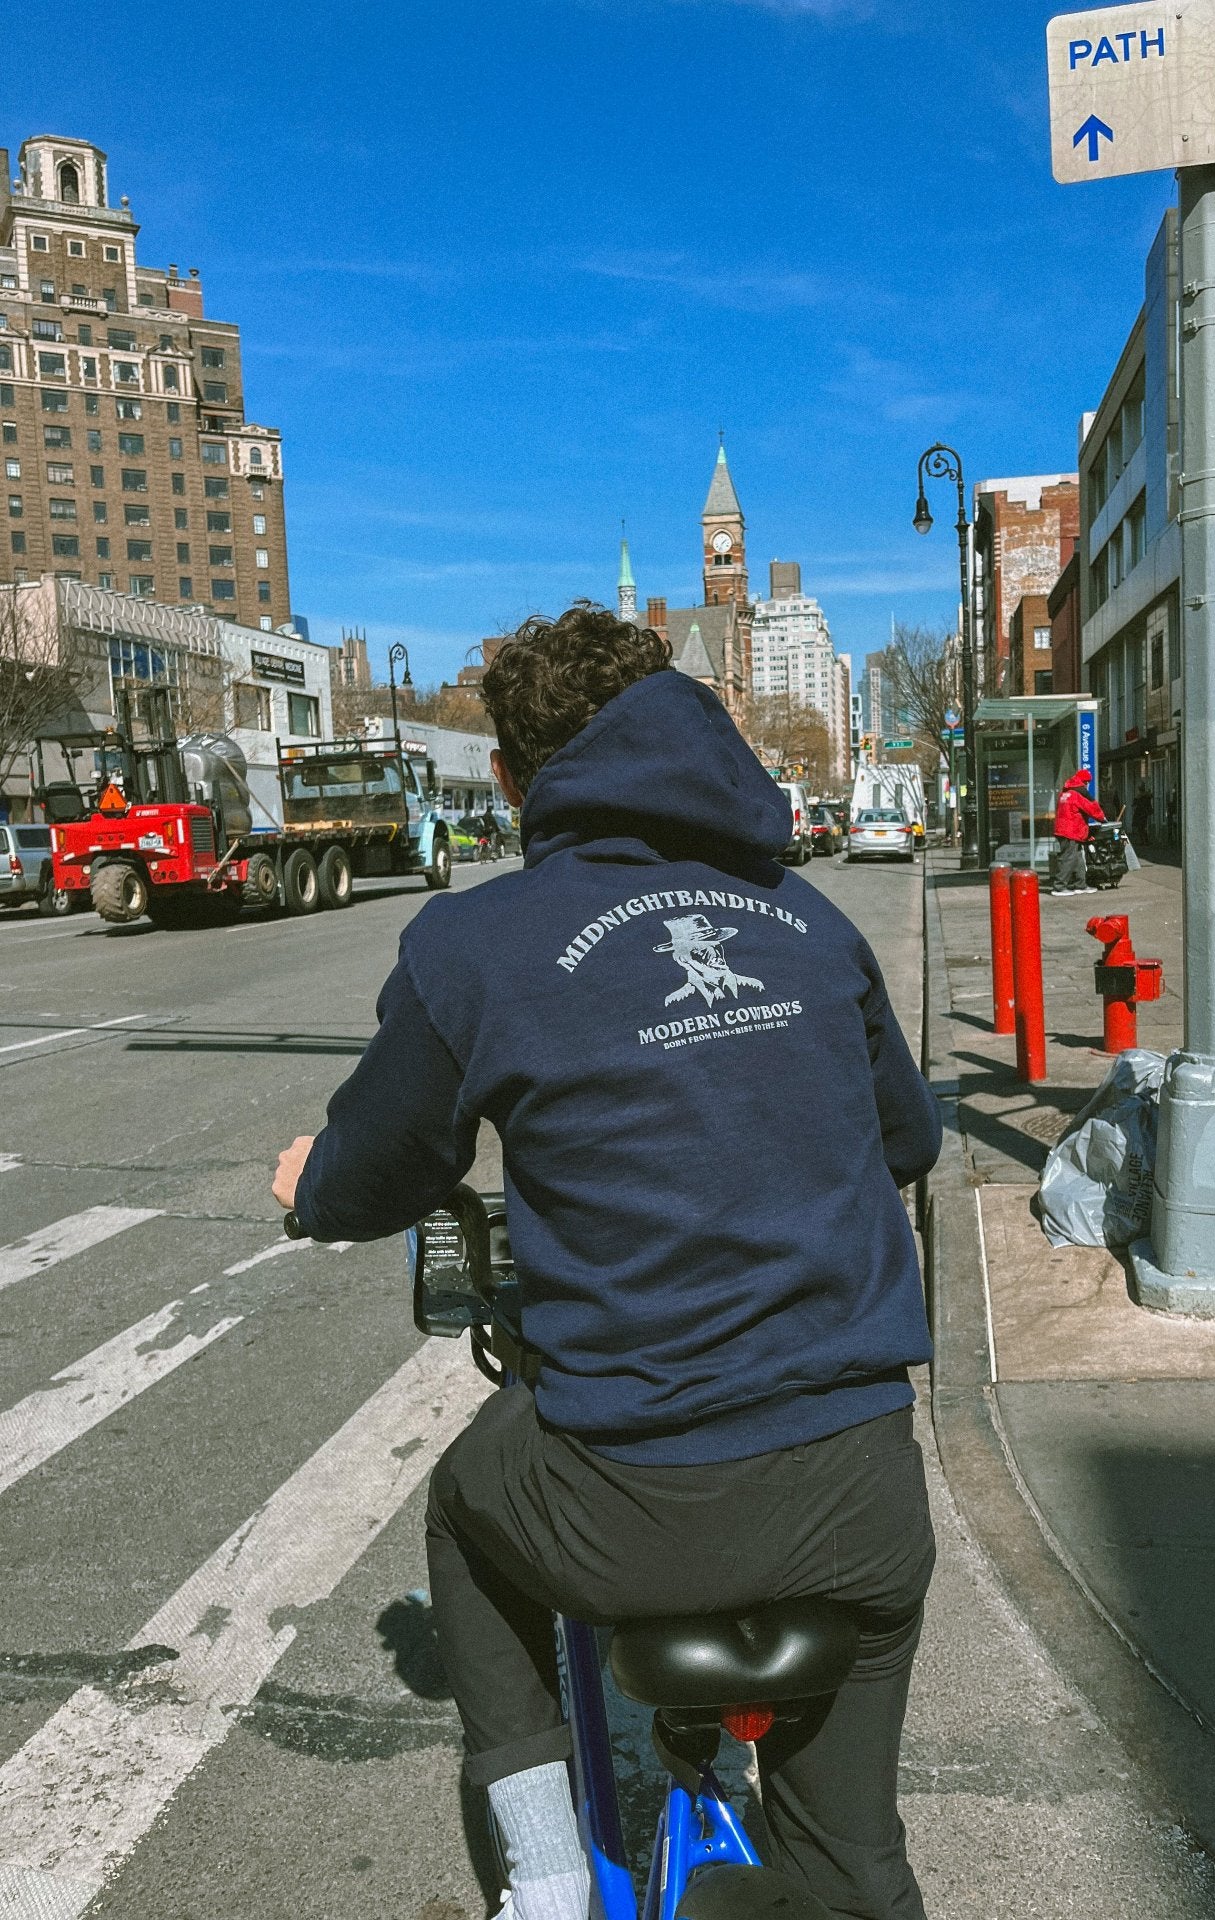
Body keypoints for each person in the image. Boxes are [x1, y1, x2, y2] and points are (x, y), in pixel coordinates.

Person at [272, 603, 942, 1920]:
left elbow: (381, 1171)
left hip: (636, 1505)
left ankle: (544, 1878)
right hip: (864, 1492)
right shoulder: (811, 922)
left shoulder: (476, 944)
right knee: (855, 1865)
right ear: (695, 740)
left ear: (517, 781)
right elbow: (909, 1140)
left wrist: (312, 1187)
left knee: (466, 1508)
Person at [1052, 767, 1105, 895]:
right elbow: (1091, 807)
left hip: (1063, 830)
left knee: (1077, 857)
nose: (1087, 786)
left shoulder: (1065, 793)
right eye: (1087, 783)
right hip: (1071, 831)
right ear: (1084, 782)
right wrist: (1102, 818)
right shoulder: (1078, 794)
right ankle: (1059, 886)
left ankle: (1080, 884)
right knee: (1069, 858)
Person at [1130, 781, 1154, 848]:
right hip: (1144, 812)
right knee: (1142, 827)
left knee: (1141, 827)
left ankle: (1144, 841)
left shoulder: (1140, 795)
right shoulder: (1145, 795)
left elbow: (1134, 803)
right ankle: (1145, 841)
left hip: (1141, 812)